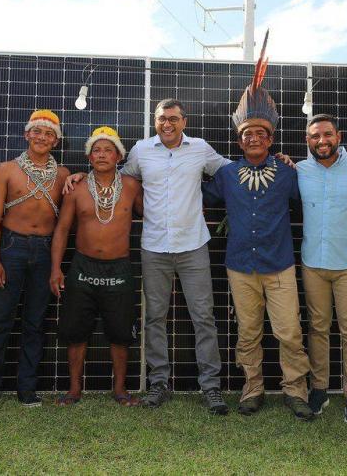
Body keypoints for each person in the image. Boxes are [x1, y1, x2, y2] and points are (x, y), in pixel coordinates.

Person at [63, 98, 230, 414]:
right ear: (155, 121)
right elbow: (114, 180)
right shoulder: (141, 150)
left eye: (173, 118)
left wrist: (272, 165)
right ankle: (158, 385)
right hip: (154, 248)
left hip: (193, 246)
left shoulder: (200, 148)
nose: (167, 124)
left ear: (184, 121)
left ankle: (211, 387)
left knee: (204, 317)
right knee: (154, 318)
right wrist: (79, 177)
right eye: (161, 118)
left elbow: (228, 170)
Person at [202, 40, 313, 420]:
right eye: (248, 133)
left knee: (289, 333)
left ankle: (295, 391)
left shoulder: (287, 172)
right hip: (239, 266)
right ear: (239, 139)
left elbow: (310, 200)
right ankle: (252, 389)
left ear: (271, 138)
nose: (254, 138)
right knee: (248, 332)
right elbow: (197, 192)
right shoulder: (227, 174)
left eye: (261, 134)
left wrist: (295, 164)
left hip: (279, 265)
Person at [0, 110, 70, 411]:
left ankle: (27, 388)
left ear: (55, 140)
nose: (41, 137)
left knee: (35, 322)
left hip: (46, 250)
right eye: (36, 131)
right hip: (11, 247)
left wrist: (79, 175)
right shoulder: (7, 170)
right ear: (27, 135)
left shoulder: (62, 174)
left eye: (48, 133)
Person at [50, 127, 143, 406]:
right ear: (89, 157)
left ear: (118, 156)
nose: (102, 155)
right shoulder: (76, 187)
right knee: (76, 331)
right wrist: (56, 268)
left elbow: (154, 214)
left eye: (108, 150)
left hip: (119, 268)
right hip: (82, 266)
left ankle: (120, 390)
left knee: (120, 332)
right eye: (97, 150)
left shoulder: (131, 186)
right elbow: (62, 230)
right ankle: (74, 389)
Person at [296, 113, 347, 424]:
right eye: (315, 136)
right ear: (308, 141)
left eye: (327, 134)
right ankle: (319, 390)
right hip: (312, 262)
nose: (322, 141)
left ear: (338, 136)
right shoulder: (298, 171)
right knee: (317, 329)